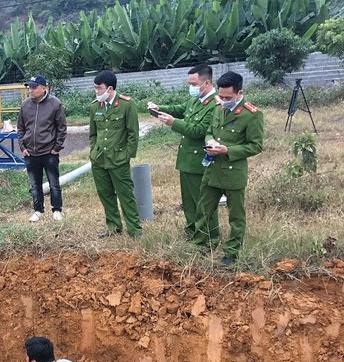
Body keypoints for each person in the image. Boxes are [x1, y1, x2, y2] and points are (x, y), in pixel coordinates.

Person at [191, 71, 264, 266]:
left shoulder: (252, 114)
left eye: (228, 97)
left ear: (240, 92)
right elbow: (209, 131)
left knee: (236, 215)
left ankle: (231, 252)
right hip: (212, 169)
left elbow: (255, 145)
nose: (223, 100)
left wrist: (227, 150)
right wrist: (211, 141)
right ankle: (201, 244)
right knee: (203, 209)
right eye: (221, 96)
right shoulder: (218, 107)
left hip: (233, 172)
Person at [147, 64, 219, 239]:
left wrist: (174, 123)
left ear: (206, 82)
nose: (191, 87)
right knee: (188, 202)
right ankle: (192, 231)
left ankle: (207, 237)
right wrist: (158, 109)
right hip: (186, 160)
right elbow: (179, 109)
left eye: (194, 84)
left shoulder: (215, 104)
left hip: (200, 161)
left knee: (202, 202)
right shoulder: (196, 100)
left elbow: (199, 130)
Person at [89, 70, 142, 238]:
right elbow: (93, 134)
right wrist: (93, 151)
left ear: (110, 89)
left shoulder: (127, 105)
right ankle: (113, 227)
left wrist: (127, 155)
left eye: (99, 88)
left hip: (118, 159)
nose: (97, 91)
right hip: (99, 159)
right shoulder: (95, 106)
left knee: (126, 195)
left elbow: (133, 133)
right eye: (95, 88)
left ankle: (134, 230)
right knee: (105, 194)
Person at [16, 74, 68, 222]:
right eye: (29, 88)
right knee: (35, 184)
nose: (30, 91)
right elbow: (20, 127)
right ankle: (38, 210)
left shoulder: (54, 104)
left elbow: (61, 128)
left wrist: (57, 147)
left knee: (54, 183)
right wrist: (22, 147)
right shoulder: (25, 104)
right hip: (30, 152)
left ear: (43, 88)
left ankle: (57, 210)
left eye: (34, 88)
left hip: (49, 152)